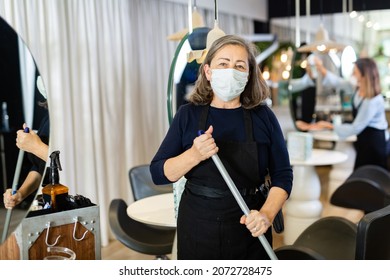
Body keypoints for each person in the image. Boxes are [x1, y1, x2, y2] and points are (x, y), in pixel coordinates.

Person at [150, 35, 293, 260]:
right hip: (198, 225)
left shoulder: (263, 117)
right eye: (223, 64)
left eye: (239, 66)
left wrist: (266, 215)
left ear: (248, 74)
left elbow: (283, 176)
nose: (231, 71)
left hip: (249, 223)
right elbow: (159, 173)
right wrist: (194, 155)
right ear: (208, 72)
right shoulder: (188, 115)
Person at [301, 57, 389, 170]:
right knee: (361, 176)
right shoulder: (357, 88)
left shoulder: (373, 101)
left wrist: (330, 126)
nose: (352, 75)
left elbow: (356, 127)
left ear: (364, 75)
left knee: (371, 177)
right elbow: (338, 82)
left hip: (374, 142)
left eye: (355, 72)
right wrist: (321, 68)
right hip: (363, 140)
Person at [3, 76, 49, 209]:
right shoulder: (47, 120)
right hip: (49, 200)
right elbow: (40, 167)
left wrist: (36, 147)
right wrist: (20, 194)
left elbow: (69, 165)